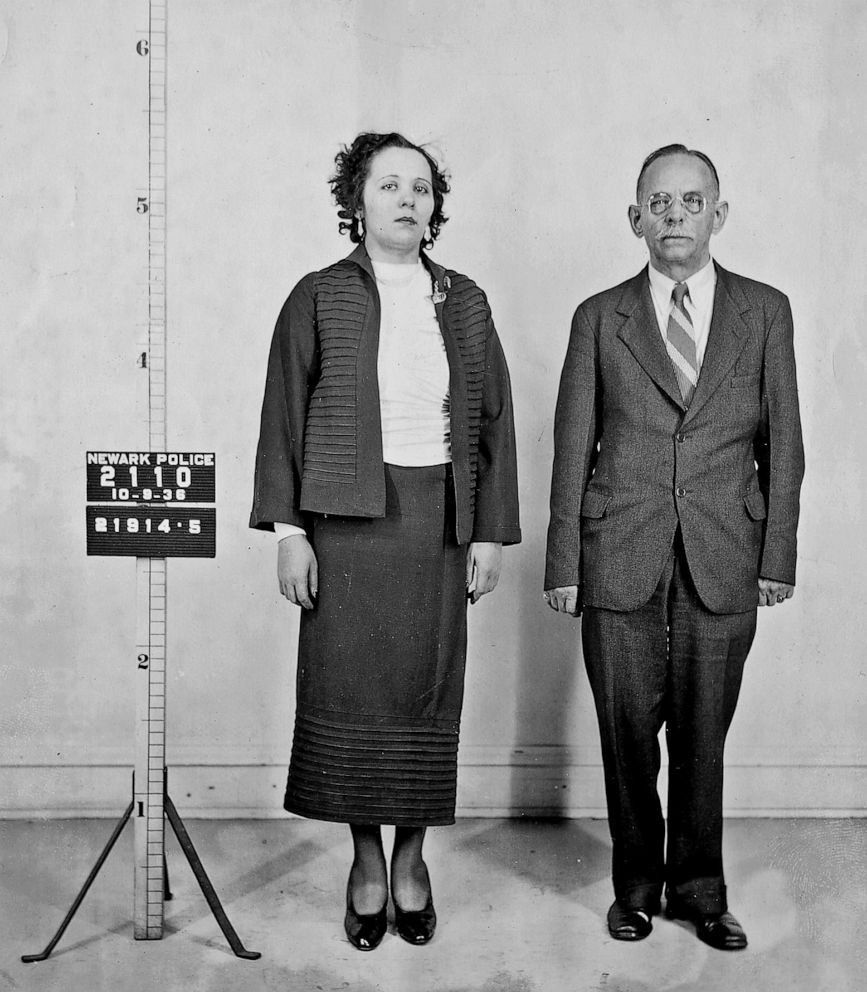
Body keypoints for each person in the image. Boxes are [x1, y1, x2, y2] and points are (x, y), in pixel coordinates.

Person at [250, 132, 521, 951]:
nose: (408, 199)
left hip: (436, 522)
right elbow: (282, 416)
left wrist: (489, 536)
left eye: (422, 187)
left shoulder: (464, 300)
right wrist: (290, 532)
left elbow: (494, 426)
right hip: (345, 526)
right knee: (353, 700)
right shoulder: (317, 295)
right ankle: (366, 861)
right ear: (356, 201)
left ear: (435, 206)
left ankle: (413, 861)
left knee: (423, 696)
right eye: (389, 185)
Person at [544, 145, 804, 951]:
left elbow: (785, 446)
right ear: (635, 219)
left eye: (690, 203)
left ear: (716, 216)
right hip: (615, 550)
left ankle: (700, 891)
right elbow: (570, 445)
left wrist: (776, 557)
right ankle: (633, 890)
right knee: (625, 732)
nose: (674, 217)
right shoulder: (598, 316)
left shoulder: (764, 311)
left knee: (702, 733)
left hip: (725, 552)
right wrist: (563, 564)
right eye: (658, 204)